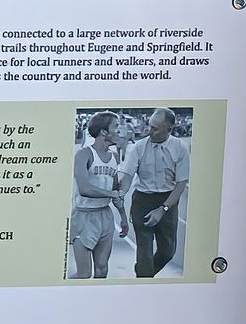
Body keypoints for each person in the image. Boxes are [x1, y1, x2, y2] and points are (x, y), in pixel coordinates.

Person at [124, 108, 191, 279]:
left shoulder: (181, 148)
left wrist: (163, 209)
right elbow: (127, 177)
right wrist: (118, 193)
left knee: (167, 252)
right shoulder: (138, 148)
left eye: (155, 128)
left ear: (169, 129)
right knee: (144, 254)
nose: (149, 131)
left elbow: (181, 183)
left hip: (168, 200)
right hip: (142, 200)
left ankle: (142, 275)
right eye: (149, 126)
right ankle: (143, 284)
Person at [70, 111, 128, 280]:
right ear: (103, 132)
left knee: (102, 270)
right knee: (84, 274)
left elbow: (117, 189)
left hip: (105, 216)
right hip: (83, 216)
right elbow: (84, 188)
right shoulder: (84, 154)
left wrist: (123, 218)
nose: (120, 130)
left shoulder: (114, 156)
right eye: (116, 127)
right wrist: (112, 193)